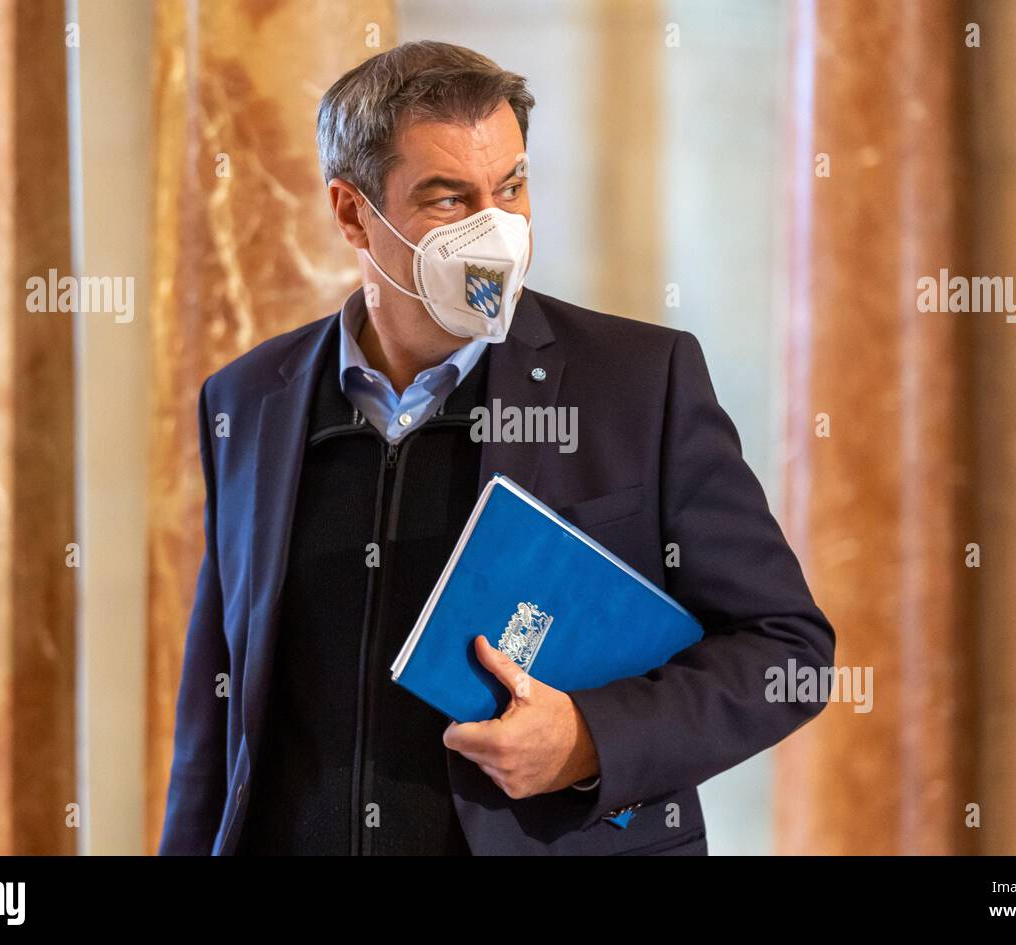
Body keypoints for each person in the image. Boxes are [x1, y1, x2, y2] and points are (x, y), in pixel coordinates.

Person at [158, 40, 834, 856]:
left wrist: (590, 738)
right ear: (350, 214)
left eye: (510, 187)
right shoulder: (248, 399)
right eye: (448, 199)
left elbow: (786, 651)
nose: (496, 230)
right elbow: (215, 710)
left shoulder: (638, 384)